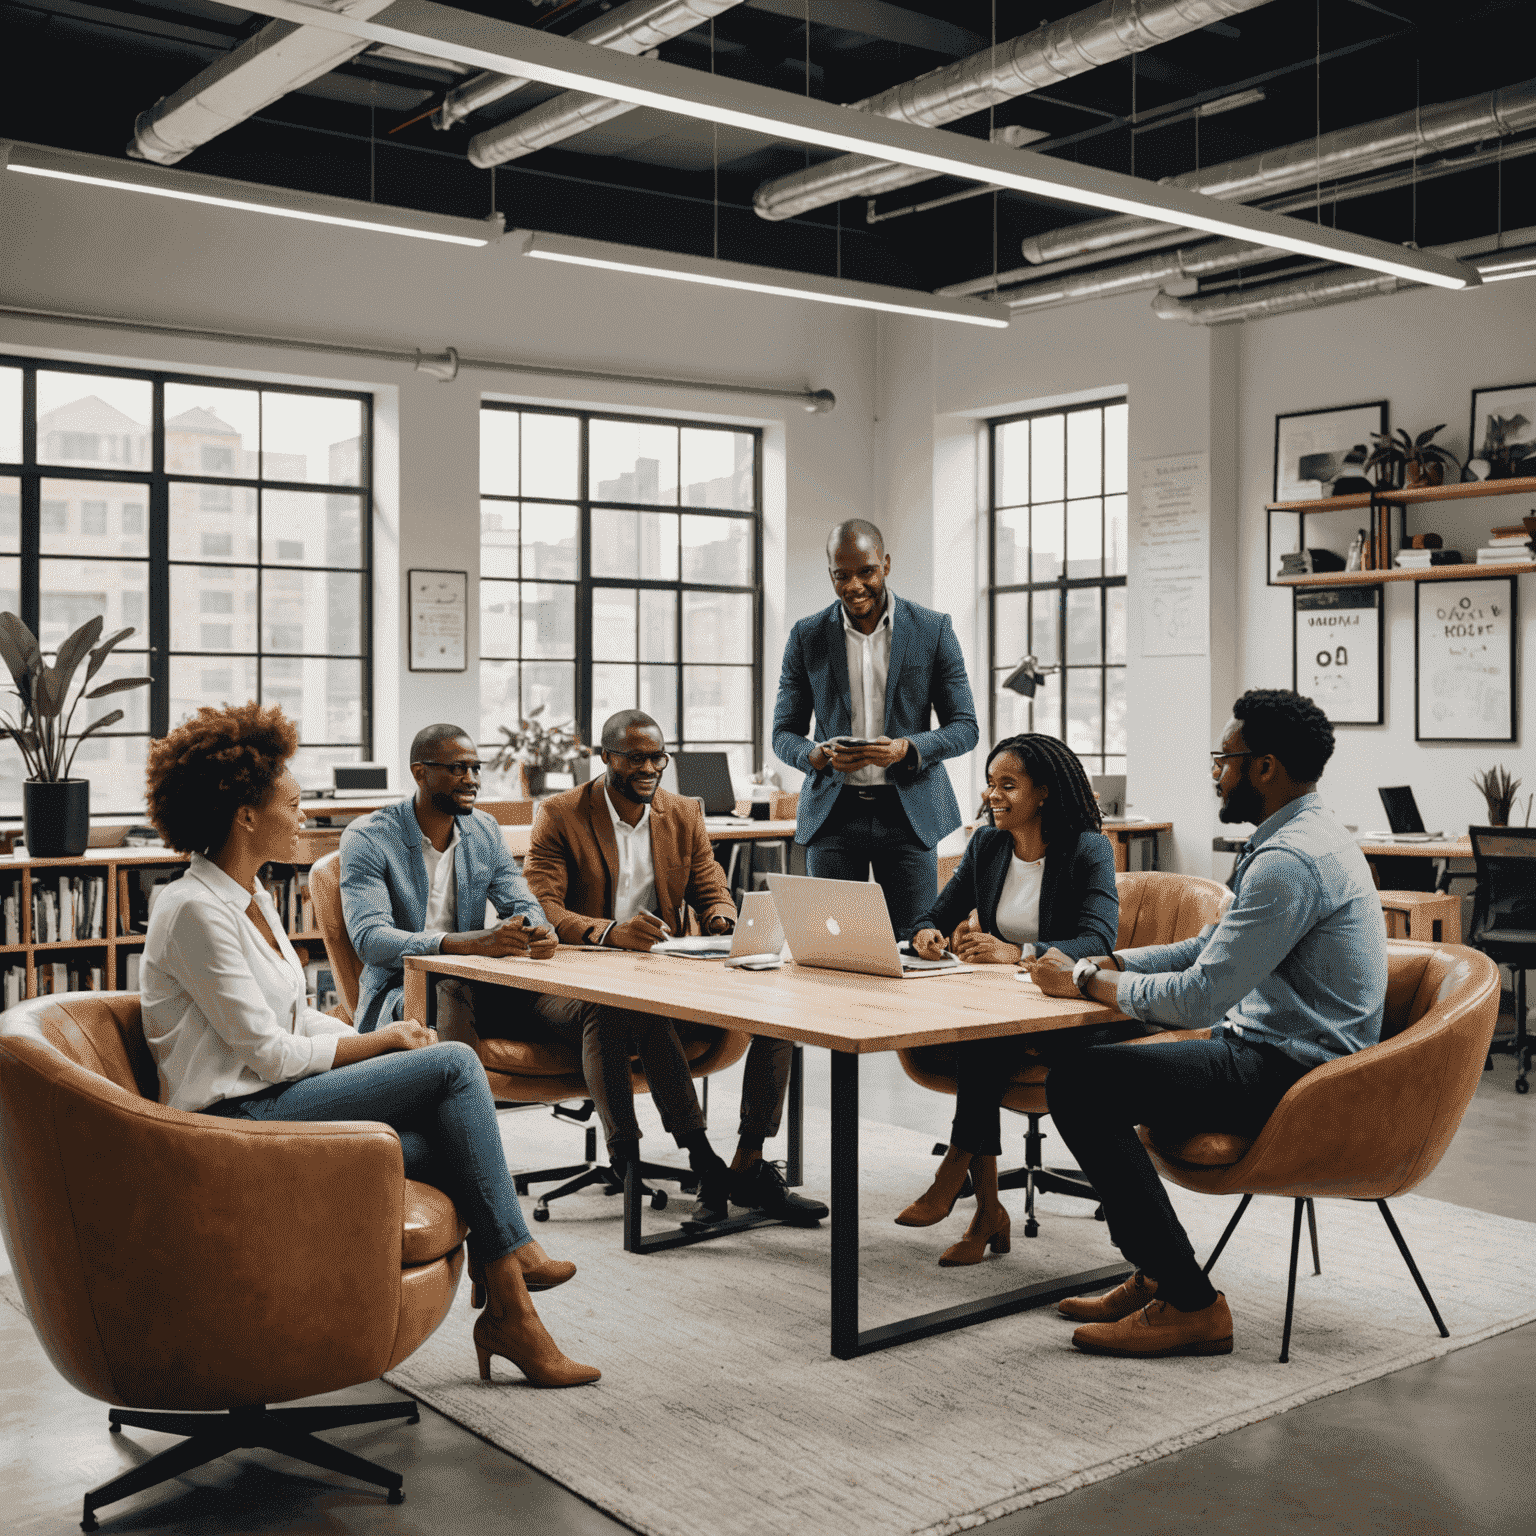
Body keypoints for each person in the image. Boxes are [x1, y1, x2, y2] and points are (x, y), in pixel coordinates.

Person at [139, 703, 598, 1389]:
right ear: (243, 815)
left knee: (456, 1142)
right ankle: (514, 1257)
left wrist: (365, 1040)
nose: (303, 820)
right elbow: (268, 1057)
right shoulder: (194, 911)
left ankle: (512, 1312)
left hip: (273, 1100)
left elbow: (295, 1018)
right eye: (292, 806)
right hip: (233, 1123)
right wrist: (382, 1043)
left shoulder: (251, 897)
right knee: (452, 1063)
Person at [1031, 689, 1387, 1360]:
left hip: (1293, 1073)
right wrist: (1108, 960)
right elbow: (1208, 947)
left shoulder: (1288, 862)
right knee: (1097, 1050)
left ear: (1265, 767)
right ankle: (1159, 1272)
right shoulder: (1302, 837)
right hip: (1285, 1054)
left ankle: (1191, 1303)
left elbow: (1198, 999)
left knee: (1078, 1083)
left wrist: (1085, 981)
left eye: (1224, 757)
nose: (1214, 769)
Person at [523, 709, 828, 1228]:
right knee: (640, 1011)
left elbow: (710, 885)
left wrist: (721, 919)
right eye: (635, 757)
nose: (649, 767)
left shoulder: (682, 812)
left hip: (667, 964)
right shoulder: (560, 813)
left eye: (657, 757)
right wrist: (608, 931)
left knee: (778, 1005)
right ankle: (697, 1157)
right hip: (585, 974)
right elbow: (541, 906)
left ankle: (749, 1161)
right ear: (605, 757)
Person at [894, 734, 1119, 1265]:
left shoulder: (1088, 849)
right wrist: (927, 934)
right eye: (991, 784)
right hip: (1004, 1008)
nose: (993, 795)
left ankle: (959, 1179)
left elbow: (1098, 940)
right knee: (984, 1034)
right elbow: (936, 912)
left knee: (984, 1041)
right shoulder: (989, 845)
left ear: (1043, 792)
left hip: (1066, 1009)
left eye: (1008, 785)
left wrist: (1017, 951)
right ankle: (988, 1212)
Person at [772, 518, 978, 937]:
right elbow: (783, 732)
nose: (854, 585)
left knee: (913, 947)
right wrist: (813, 755)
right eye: (841, 575)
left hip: (908, 815)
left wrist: (906, 748)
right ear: (830, 574)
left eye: (865, 571)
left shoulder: (933, 630)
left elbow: (965, 727)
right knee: (832, 950)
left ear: (885, 563)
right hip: (834, 816)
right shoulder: (806, 636)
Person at [339, 721, 556, 1038]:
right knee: (452, 992)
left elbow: (522, 902)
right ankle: (462, 1088)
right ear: (420, 773)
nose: (472, 781)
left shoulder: (485, 830)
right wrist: (468, 944)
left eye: (475, 769)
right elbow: (371, 940)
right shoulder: (367, 837)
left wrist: (536, 929)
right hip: (403, 989)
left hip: (477, 980)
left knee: (589, 1009)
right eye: (458, 769)